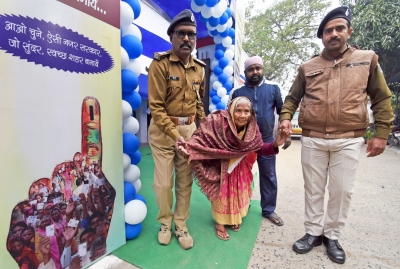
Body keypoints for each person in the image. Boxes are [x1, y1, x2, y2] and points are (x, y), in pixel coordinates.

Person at [279, 6, 393, 264]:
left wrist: (382, 133)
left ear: (349, 32)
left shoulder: (367, 59)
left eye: (339, 28)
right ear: (322, 37)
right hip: (313, 137)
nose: (333, 34)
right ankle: (313, 232)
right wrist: (286, 118)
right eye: (328, 30)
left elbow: (381, 98)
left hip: (348, 138)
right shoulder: (308, 66)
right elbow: (292, 98)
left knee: (342, 191)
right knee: (313, 189)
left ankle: (332, 236)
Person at [177, 97, 290, 240]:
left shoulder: (252, 129)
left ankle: (233, 219)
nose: (243, 115)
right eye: (238, 111)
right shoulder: (217, 122)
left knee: (239, 192)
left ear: (251, 113)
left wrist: (275, 144)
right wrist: (186, 147)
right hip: (222, 167)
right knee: (223, 193)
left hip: (241, 168)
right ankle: (220, 222)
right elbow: (200, 138)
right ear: (231, 110)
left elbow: (259, 149)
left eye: (246, 111)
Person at [147, 9, 206, 250]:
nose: (186, 39)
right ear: (171, 37)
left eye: (191, 35)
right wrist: (174, 136)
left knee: (184, 182)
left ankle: (180, 225)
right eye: (181, 33)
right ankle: (164, 223)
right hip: (163, 133)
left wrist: (204, 129)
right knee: (163, 184)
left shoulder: (199, 68)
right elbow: (156, 108)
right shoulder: (160, 64)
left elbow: (198, 103)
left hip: (188, 131)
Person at [230, 56, 290, 226]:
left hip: (267, 140)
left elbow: (283, 112)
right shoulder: (237, 92)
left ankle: (269, 209)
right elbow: (229, 117)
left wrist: (287, 134)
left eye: (258, 68)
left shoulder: (273, 88)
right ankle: (242, 204)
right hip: (243, 142)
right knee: (241, 175)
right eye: (251, 69)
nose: (255, 72)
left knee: (269, 176)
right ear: (245, 72)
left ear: (262, 69)